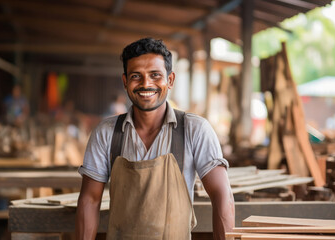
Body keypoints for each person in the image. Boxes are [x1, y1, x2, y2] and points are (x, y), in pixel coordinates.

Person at [74, 38, 234, 240]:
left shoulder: (195, 130)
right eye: (136, 76)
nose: (146, 83)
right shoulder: (106, 133)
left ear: (170, 80)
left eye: (155, 75)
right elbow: (89, 200)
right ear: (125, 82)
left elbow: (222, 195)